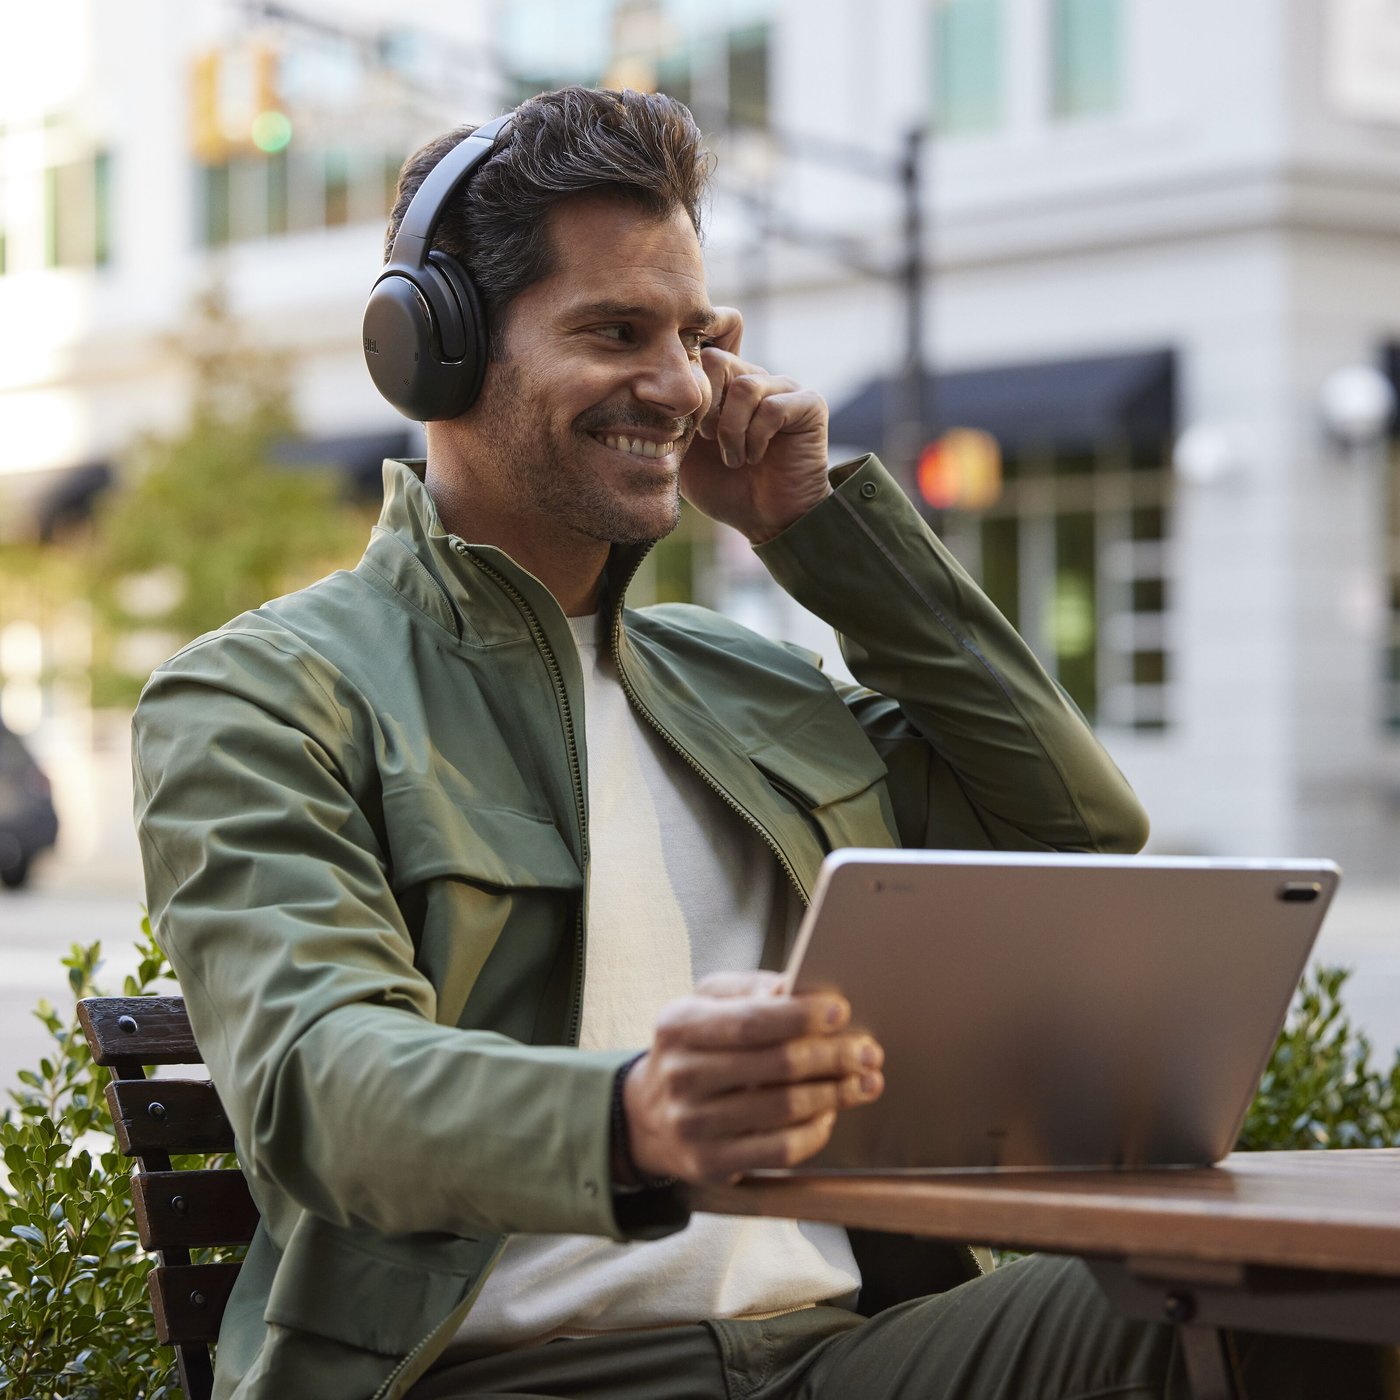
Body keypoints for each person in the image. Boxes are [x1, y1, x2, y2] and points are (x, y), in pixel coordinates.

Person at [132, 87, 1396, 1400]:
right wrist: (630, 1117)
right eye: (616, 331)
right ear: (432, 348)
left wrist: (820, 533)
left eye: (696, 336)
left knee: (1279, 1291)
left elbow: (1071, 831)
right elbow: (320, 1081)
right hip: (511, 1377)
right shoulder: (266, 696)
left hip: (840, 1359)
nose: (680, 384)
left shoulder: (742, 679)